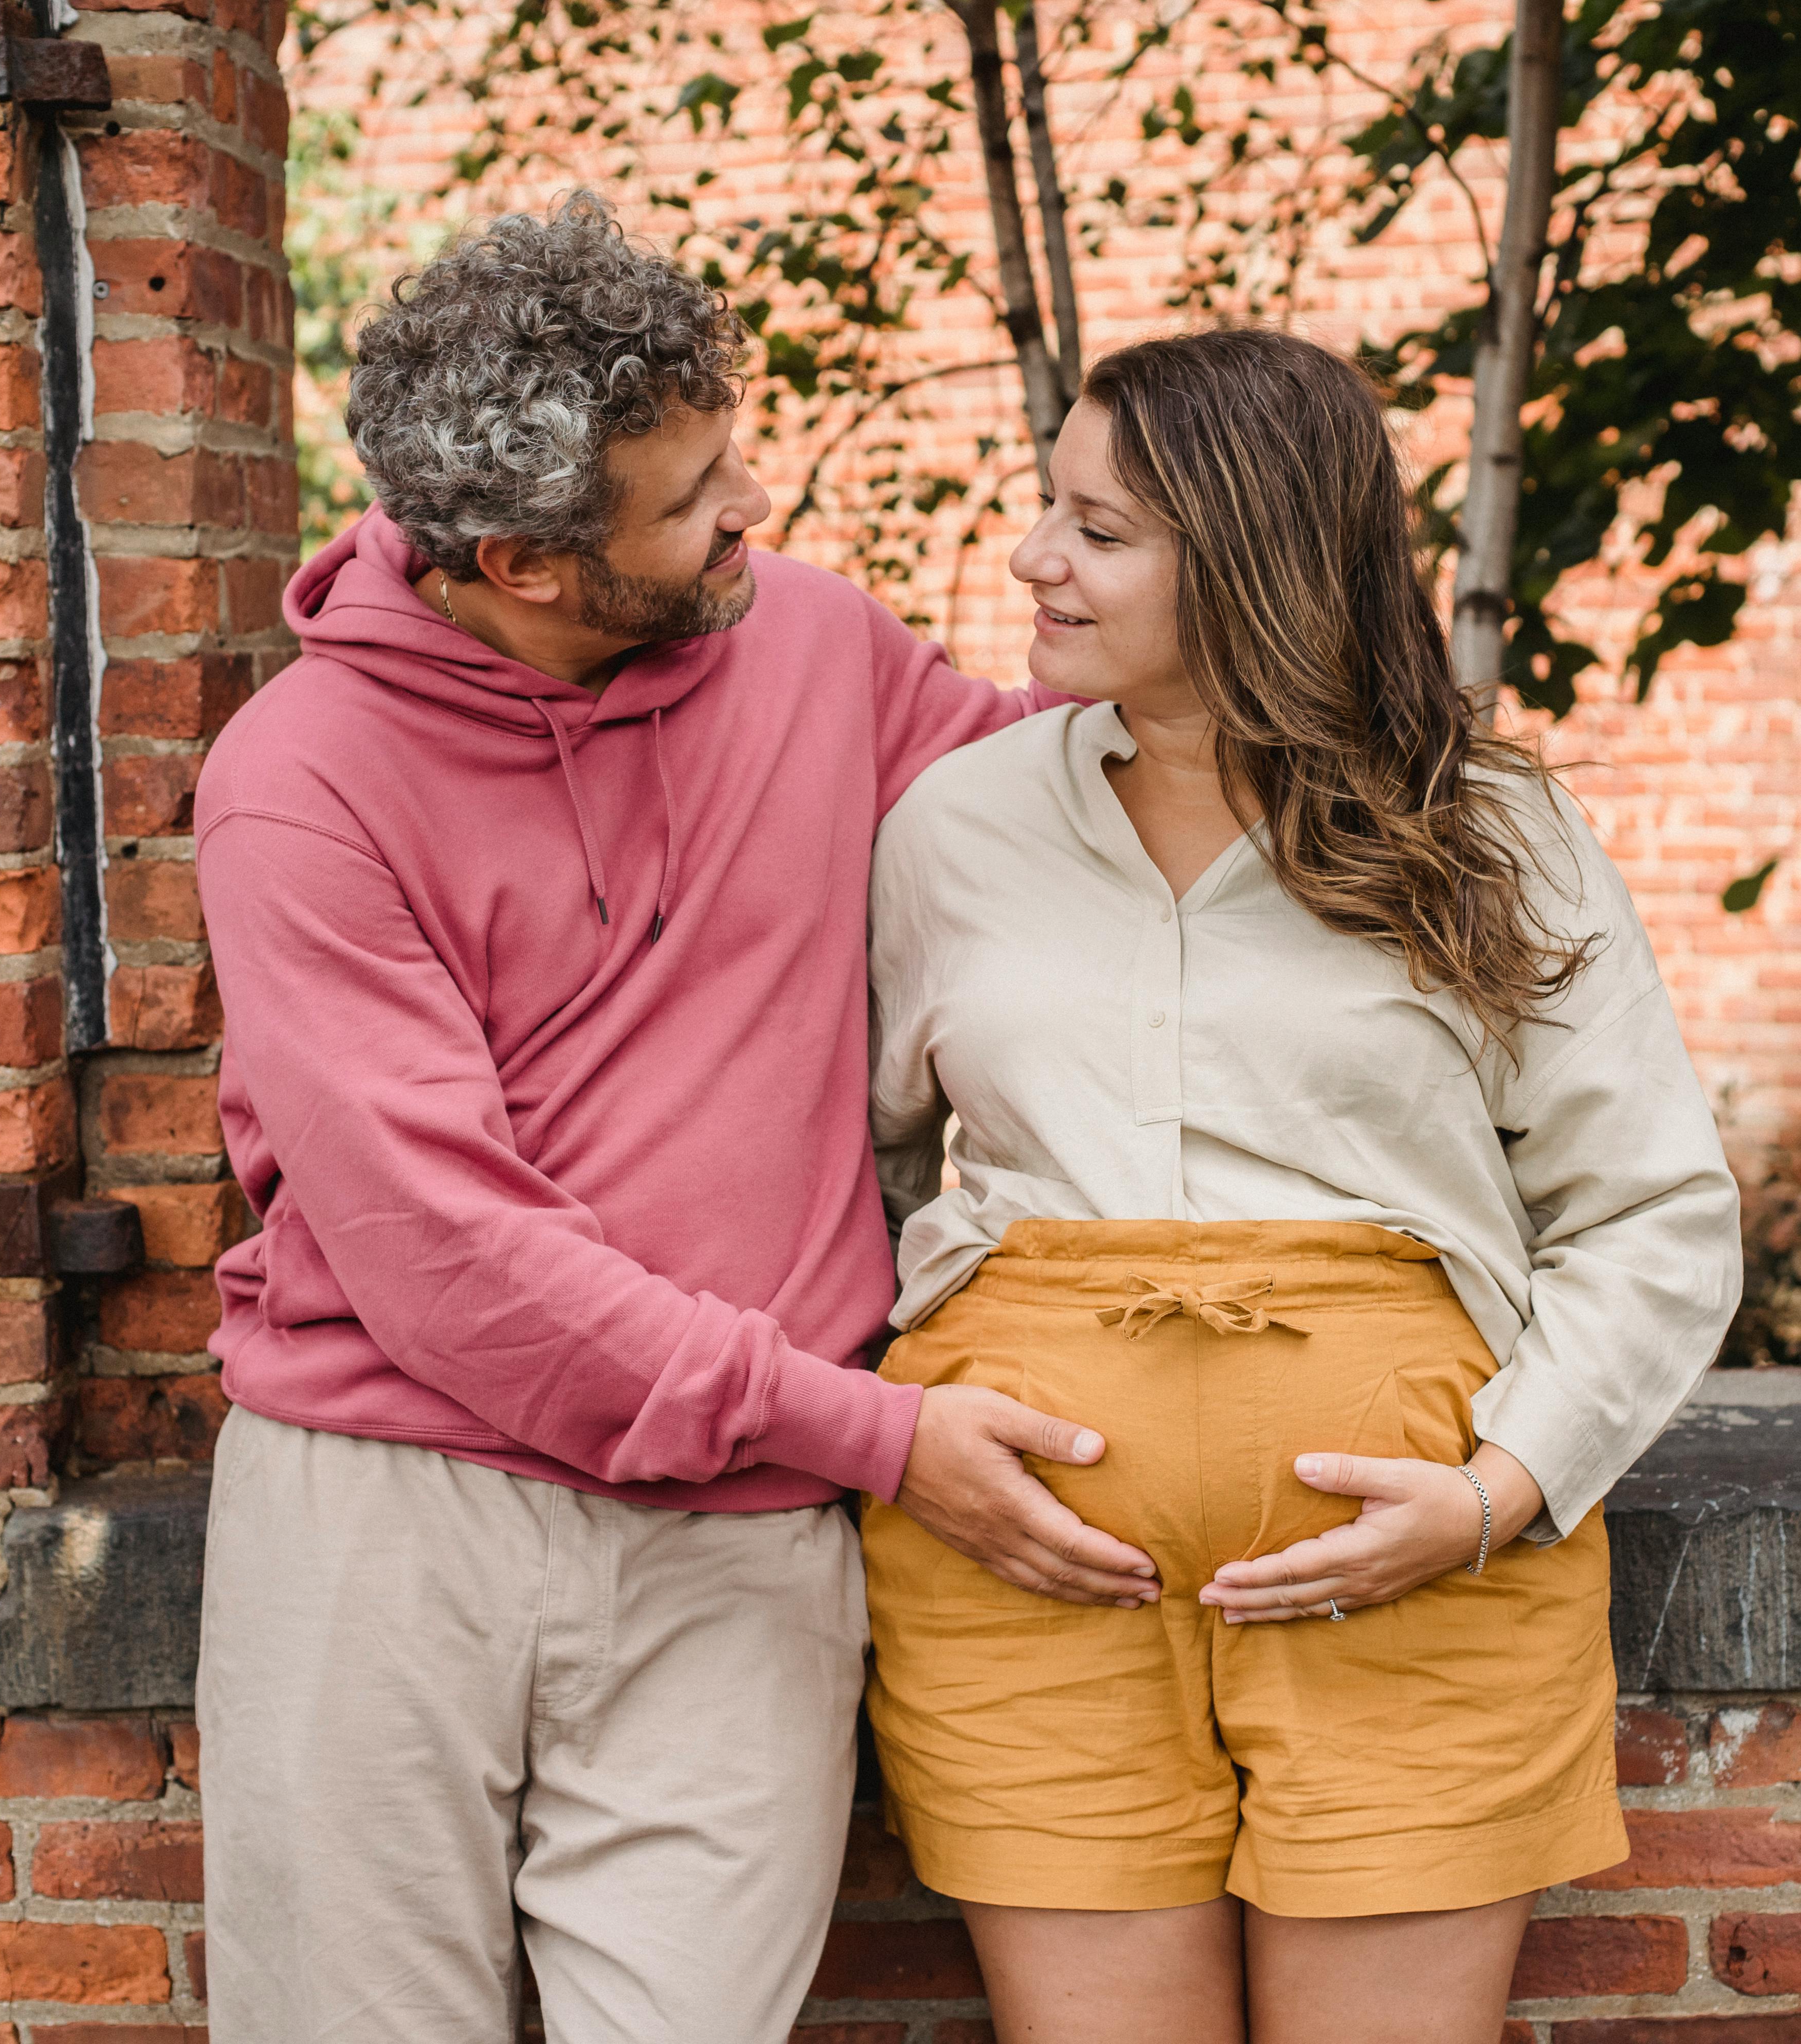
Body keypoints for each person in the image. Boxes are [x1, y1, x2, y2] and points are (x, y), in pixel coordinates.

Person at [188, 192, 1155, 2044]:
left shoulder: (812, 648)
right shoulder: (298, 786)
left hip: (744, 1540)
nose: (754, 507)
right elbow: (445, 1255)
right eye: (698, 491)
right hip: (394, 1517)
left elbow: (1073, 814)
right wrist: (877, 1432)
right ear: (526, 563)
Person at [862, 327, 1744, 2040]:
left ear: (1256, 561)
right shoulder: (951, 831)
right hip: (1026, 1579)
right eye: (1049, 506)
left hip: (1422, 1578)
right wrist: (903, 1437)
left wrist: (1495, 1497)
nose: (1036, 557)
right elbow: (851, 1177)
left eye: (1099, 529)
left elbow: (1650, 1209)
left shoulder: (1486, 833)